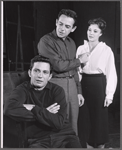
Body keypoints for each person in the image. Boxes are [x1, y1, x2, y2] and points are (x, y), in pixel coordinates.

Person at [4, 55, 82, 148]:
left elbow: (58, 123)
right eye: (36, 71)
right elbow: (8, 109)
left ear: (49, 76)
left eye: (45, 72)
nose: (40, 76)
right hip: (38, 140)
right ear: (30, 73)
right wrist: (45, 112)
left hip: (64, 136)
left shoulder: (57, 90)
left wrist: (33, 108)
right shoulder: (22, 89)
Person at [37, 9, 88, 135]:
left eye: (67, 26)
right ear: (56, 22)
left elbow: (74, 69)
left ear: (73, 29)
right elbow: (58, 66)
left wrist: (79, 92)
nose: (62, 29)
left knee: (73, 124)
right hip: (56, 84)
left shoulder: (71, 43)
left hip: (72, 86)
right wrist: (79, 60)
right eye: (60, 24)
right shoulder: (46, 41)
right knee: (57, 123)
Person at [76, 18, 117, 148]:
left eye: (95, 31)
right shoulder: (81, 48)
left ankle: (100, 147)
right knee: (85, 119)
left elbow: (111, 73)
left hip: (99, 85)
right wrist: (78, 91)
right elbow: (77, 71)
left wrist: (109, 95)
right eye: (89, 30)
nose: (91, 33)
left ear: (100, 33)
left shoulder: (106, 50)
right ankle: (88, 146)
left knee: (99, 120)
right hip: (84, 85)